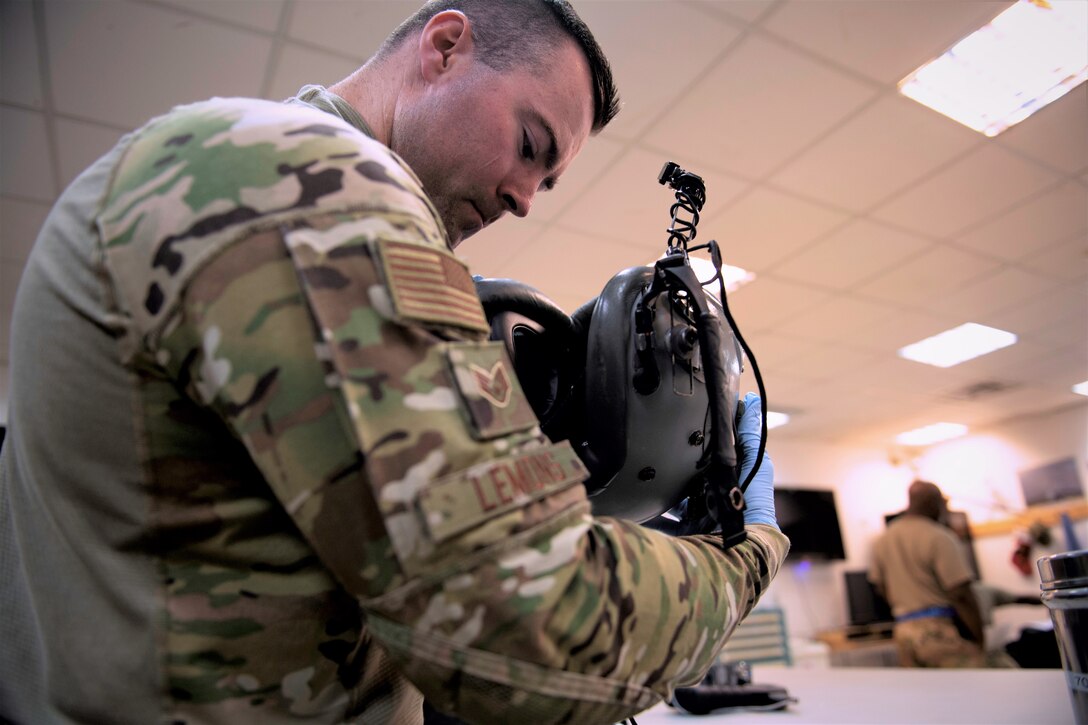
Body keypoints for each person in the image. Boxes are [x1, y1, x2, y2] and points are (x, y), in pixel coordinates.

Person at [0, 1, 787, 723]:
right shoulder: (313, 182)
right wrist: (747, 548)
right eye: (529, 145)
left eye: (547, 182)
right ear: (445, 47)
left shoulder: (238, 171)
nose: (524, 198)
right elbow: (528, 628)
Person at [869, 480, 990, 668]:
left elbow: (879, 586)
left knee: (923, 696)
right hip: (939, 631)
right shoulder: (938, 536)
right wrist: (979, 637)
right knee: (970, 691)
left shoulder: (883, 540)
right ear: (934, 503)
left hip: (904, 632)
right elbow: (960, 593)